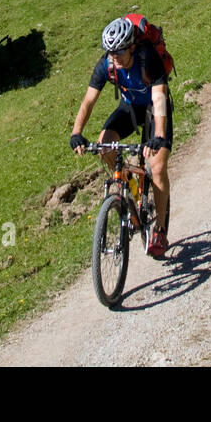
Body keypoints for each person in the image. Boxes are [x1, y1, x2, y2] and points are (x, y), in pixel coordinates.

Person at [70, 16, 172, 257]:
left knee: (157, 167)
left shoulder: (148, 58)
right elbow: (88, 101)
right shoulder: (106, 65)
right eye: (110, 53)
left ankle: (160, 230)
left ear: (132, 48)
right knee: (105, 145)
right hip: (129, 108)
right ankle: (132, 186)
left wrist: (157, 136)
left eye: (119, 53)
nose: (114, 58)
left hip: (154, 111)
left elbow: (158, 99)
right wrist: (77, 133)